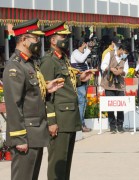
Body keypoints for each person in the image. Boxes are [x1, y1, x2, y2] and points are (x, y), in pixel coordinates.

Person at [3, 18, 64, 180]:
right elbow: (14, 105)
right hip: (26, 135)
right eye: (35, 39)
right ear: (23, 39)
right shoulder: (15, 66)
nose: (38, 42)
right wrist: (19, 138)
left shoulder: (29, 64)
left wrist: (47, 88)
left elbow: (30, 94)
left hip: (35, 133)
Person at [40, 21, 94, 180]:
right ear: (53, 40)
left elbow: (65, 83)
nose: (65, 39)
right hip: (60, 119)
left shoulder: (63, 58)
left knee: (66, 163)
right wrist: (51, 121)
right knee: (58, 162)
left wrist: (81, 79)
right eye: (62, 36)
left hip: (69, 117)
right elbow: (47, 92)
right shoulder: (49, 61)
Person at [100, 44, 129, 133]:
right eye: (124, 52)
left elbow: (126, 71)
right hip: (109, 83)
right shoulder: (110, 54)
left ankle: (120, 125)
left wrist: (121, 72)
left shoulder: (125, 59)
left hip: (120, 84)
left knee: (120, 105)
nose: (125, 54)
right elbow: (103, 66)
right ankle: (112, 126)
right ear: (120, 49)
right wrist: (111, 69)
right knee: (110, 105)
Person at [70, 38, 92, 132]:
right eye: (85, 44)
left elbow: (85, 64)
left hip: (84, 80)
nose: (86, 46)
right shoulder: (75, 53)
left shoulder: (83, 53)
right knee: (81, 101)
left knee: (83, 101)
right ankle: (80, 124)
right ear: (82, 44)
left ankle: (81, 123)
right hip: (79, 81)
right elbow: (81, 60)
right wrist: (89, 50)